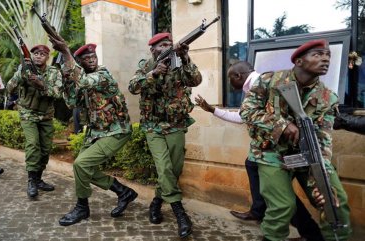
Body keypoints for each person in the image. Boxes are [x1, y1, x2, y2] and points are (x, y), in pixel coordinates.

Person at [196, 61, 324, 241]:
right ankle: (261, 210)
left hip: (279, 151)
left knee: (282, 198)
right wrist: (212, 110)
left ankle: (309, 232)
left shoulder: (262, 83)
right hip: (264, 150)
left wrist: (285, 127)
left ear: (238, 76)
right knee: (255, 168)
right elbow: (244, 115)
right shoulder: (252, 87)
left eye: (230, 78)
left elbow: (278, 114)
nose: (229, 83)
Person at [240, 39, 352, 241]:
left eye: (328, 54)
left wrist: (321, 180)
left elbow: (323, 140)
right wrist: (281, 125)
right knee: (283, 206)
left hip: (309, 154)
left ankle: (337, 236)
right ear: (299, 61)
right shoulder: (269, 80)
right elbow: (247, 111)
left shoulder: (328, 97)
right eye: (317, 54)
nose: (325, 58)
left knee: (335, 200)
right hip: (271, 154)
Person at [49, 39, 138, 226]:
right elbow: (72, 102)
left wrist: (66, 51)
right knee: (81, 168)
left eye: (93, 56)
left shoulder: (102, 75)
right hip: (97, 132)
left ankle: (82, 208)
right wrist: (66, 76)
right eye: (87, 58)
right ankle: (123, 192)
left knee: (81, 164)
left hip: (116, 131)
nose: (91, 60)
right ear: (80, 62)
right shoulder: (83, 80)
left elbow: (83, 80)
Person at [128, 32, 202, 238]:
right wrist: (152, 73)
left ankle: (157, 201)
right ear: (153, 49)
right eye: (162, 45)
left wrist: (186, 57)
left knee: (175, 168)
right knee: (164, 166)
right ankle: (180, 213)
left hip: (176, 124)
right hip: (153, 126)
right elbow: (132, 87)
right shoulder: (146, 64)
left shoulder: (179, 63)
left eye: (169, 44)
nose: (167, 47)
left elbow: (196, 80)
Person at [6, 44, 63, 199]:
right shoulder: (23, 69)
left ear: (47, 57)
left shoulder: (54, 73)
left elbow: (58, 94)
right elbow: (9, 88)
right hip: (28, 113)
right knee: (33, 144)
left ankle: (38, 179)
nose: (38, 56)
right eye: (35, 53)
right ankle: (31, 180)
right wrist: (20, 74)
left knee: (45, 149)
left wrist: (42, 85)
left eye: (42, 54)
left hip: (46, 116)